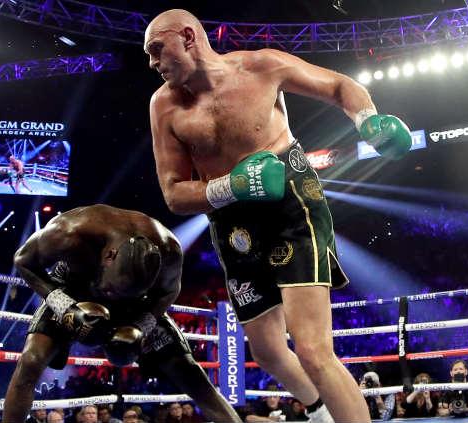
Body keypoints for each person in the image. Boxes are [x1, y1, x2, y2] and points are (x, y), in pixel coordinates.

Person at [145, 8, 412, 423]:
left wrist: (369, 121)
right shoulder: (163, 106)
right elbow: (174, 194)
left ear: (188, 36)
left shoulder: (261, 66)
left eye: (158, 50)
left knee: (312, 350)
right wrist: (232, 185)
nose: (153, 63)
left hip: (291, 202)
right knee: (267, 351)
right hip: (230, 217)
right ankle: (320, 412)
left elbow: (341, 85)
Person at [4, 205, 242, 423]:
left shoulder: (170, 251)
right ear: (109, 256)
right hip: (73, 291)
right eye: (112, 288)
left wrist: (141, 326)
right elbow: (22, 261)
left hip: (137, 305)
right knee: (31, 361)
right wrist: (64, 306)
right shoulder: (69, 233)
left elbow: (169, 293)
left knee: (190, 372)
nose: (113, 297)